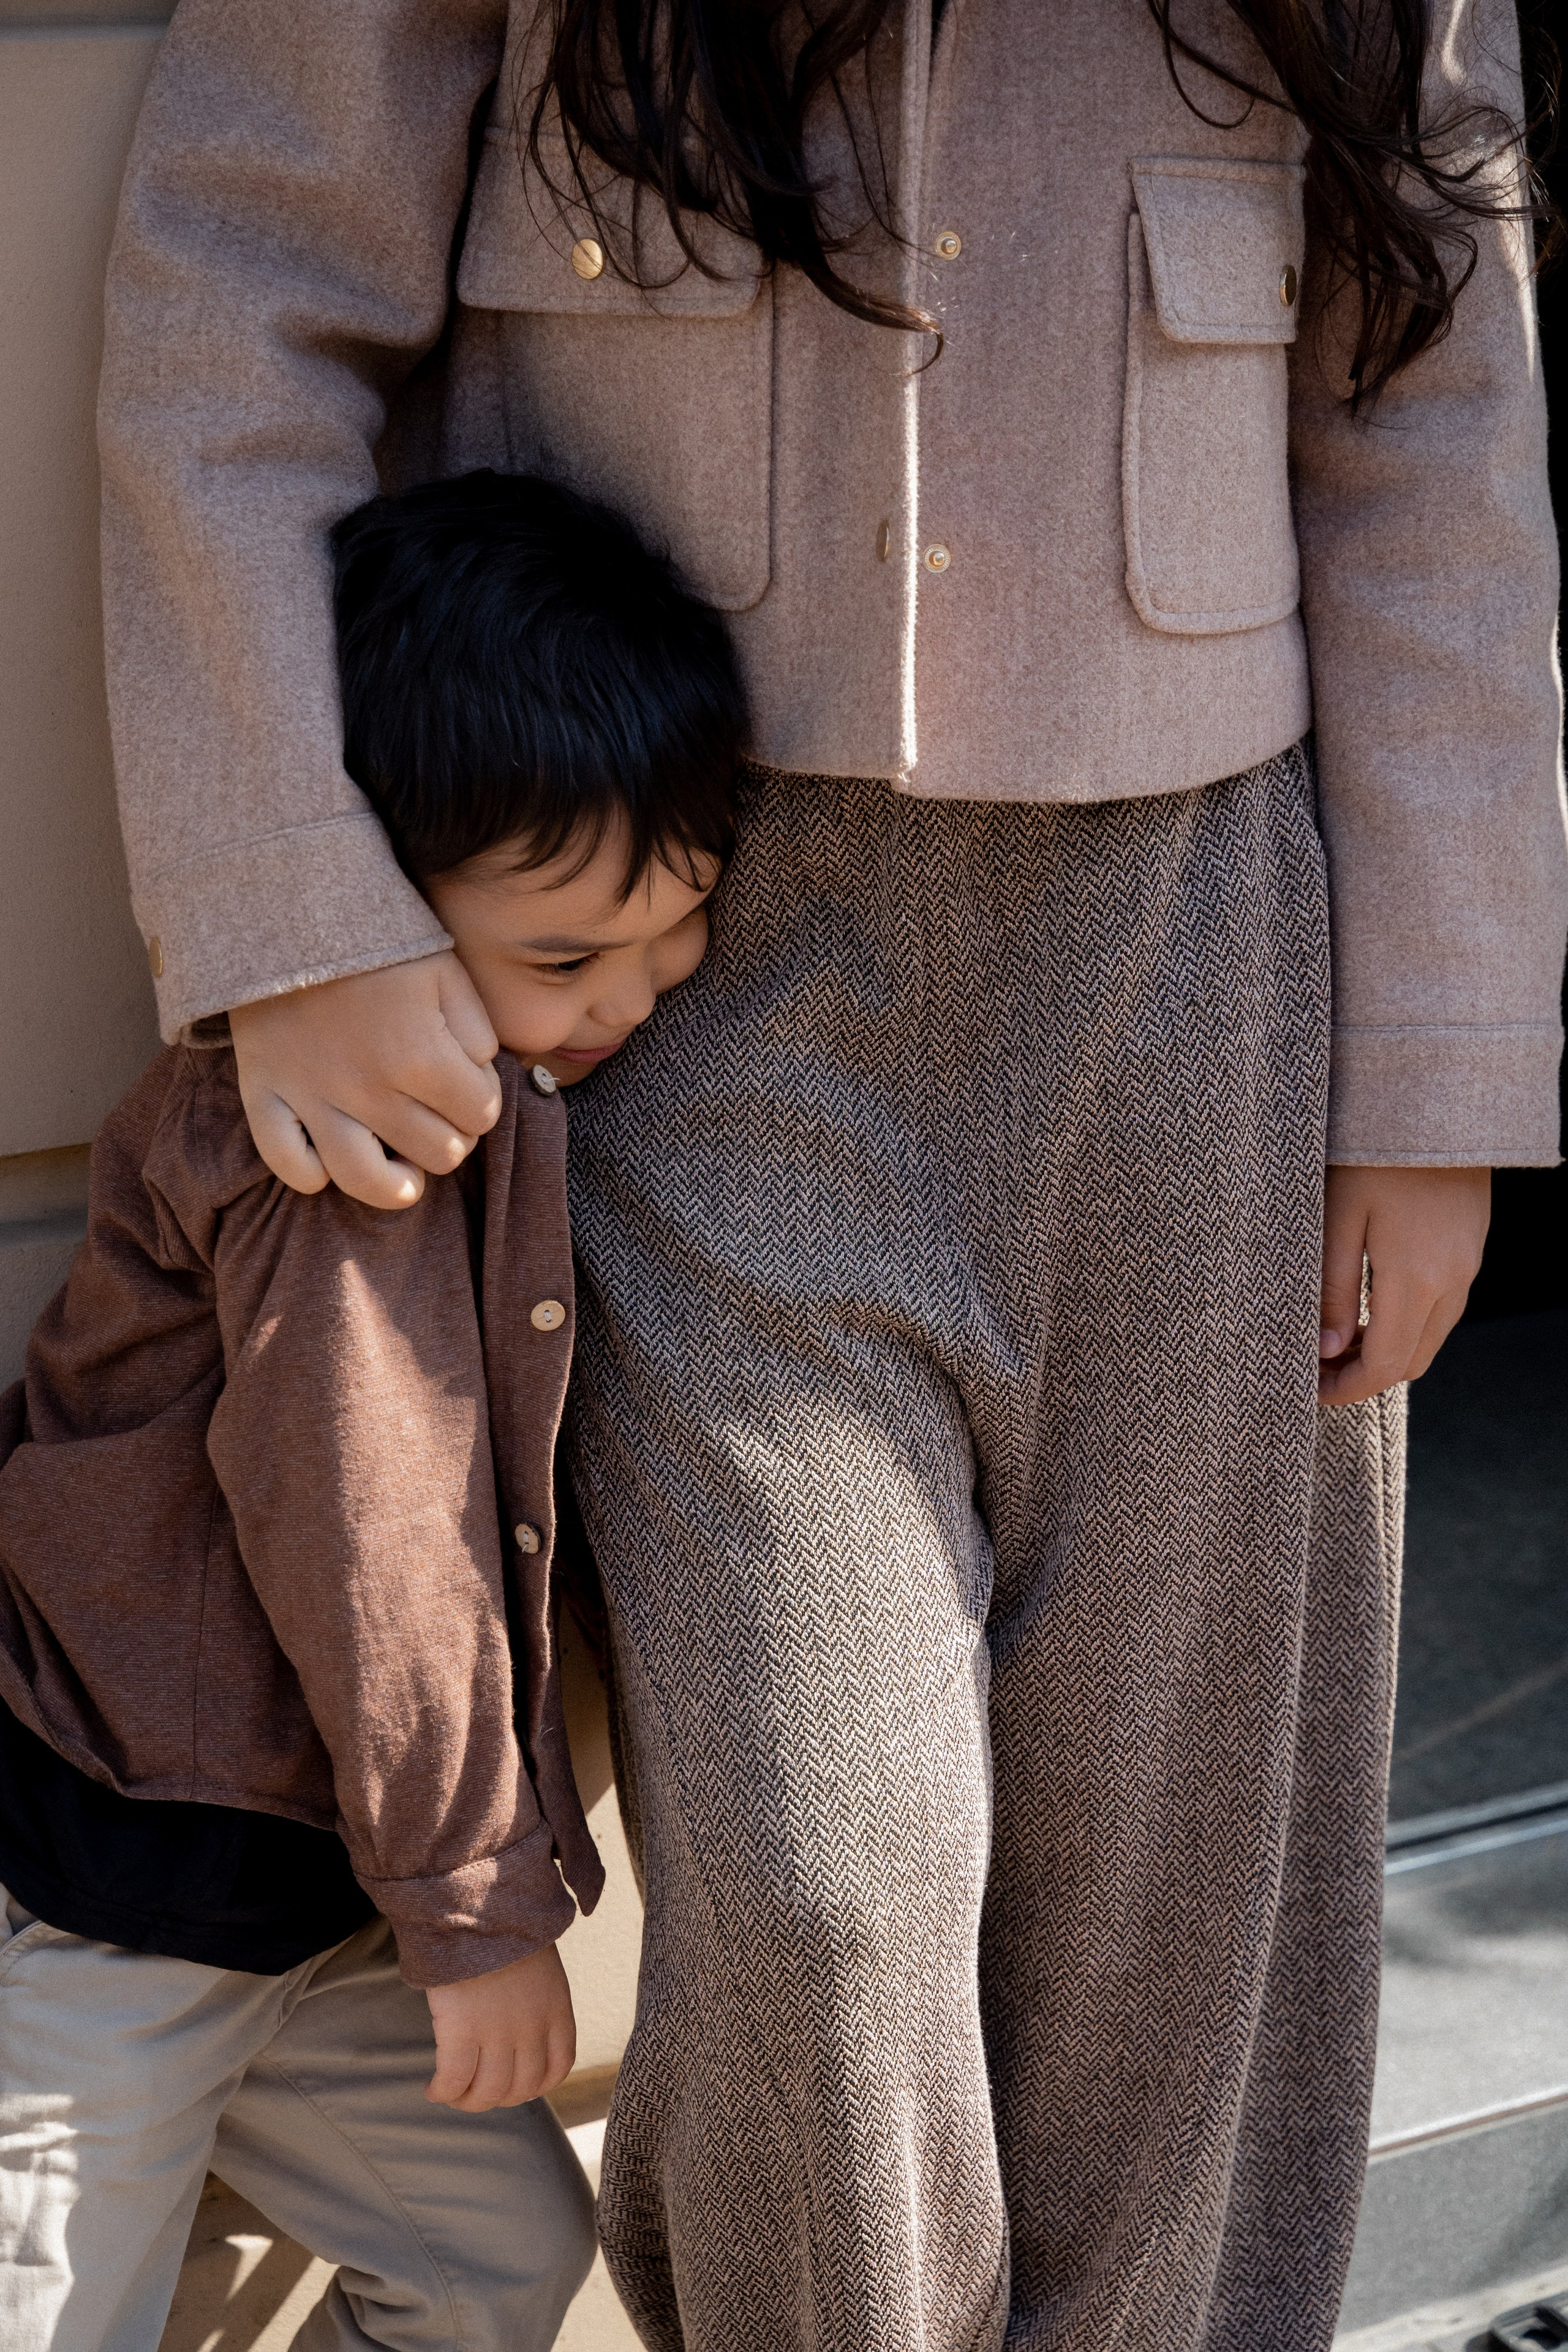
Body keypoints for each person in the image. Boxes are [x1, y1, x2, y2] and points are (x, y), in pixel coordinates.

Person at [96, 2, 1566, 2346]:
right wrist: (297, 899)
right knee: (824, 1897)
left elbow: (1436, 442)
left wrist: (1440, 1078)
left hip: (1196, 974)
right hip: (685, 977)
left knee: (1168, 1932)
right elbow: (241, 288)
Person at [0, 472, 744, 2352]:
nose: (634, 998)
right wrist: (483, 1917)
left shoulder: (502, 1105)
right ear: (360, 902)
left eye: (679, 930)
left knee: (498, 2265)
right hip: (123, 1891)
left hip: (313, 1909)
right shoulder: (340, 1151)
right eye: (563, 959)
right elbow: (377, 1532)